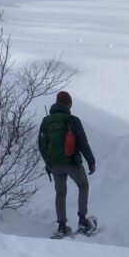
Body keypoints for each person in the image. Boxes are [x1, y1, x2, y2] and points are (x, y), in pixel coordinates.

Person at [38, 91, 96, 237]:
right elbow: (82, 142)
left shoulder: (46, 121)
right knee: (83, 185)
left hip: (55, 165)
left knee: (60, 193)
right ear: (68, 104)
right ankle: (83, 220)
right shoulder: (72, 120)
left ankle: (62, 225)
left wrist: (48, 163)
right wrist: (91, 161)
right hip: (72, 162)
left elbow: (41, 144)